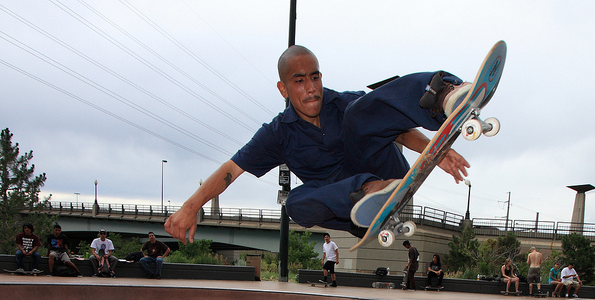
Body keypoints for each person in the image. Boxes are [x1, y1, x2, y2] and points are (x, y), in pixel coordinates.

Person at [164, 45, 470, 244]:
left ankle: (442, 94)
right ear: (283, 88)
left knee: (360, 110)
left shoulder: (342, 104)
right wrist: (191, 207)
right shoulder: (277, 134)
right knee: (294, 203)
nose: (311, 89)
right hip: (351, 207)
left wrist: (435, 151)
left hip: (385, 170)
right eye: (299, 81)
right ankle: (370, 194)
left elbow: (399, 132)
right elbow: (232, 169)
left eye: (315, 78)